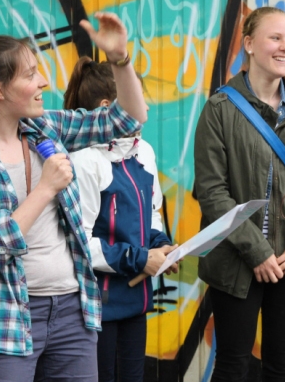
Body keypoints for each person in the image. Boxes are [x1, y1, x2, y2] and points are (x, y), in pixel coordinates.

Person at [0, 12, 148, 381]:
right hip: (1, 321)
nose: (42, 81)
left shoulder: (42, 128)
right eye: (30, 74)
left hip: (72, 314)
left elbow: (127, 118)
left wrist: (120, 59)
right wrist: (46, 188)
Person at [193, 7, 285, 381]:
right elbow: (212, 191)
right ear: (249, 44)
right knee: (232, 365)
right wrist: (256, 250)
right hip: (234, 259)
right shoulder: (219, 109)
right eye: (275, 38)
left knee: (282, 366)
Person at [64, 57, 178, 382]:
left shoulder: (145, 152)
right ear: (108, 107)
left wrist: (162, 245)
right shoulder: (84, 161)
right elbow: (81, 243)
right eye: (138, 99)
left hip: (136, 301)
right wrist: (142, 259)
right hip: (97, 308)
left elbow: (151, 214)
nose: (146, 108)